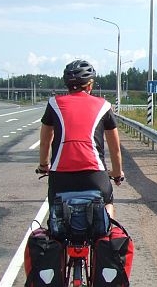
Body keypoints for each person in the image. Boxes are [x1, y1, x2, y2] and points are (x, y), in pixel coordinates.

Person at [36, 59, 125, 218]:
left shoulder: (54, 103)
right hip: (94, 175)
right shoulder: (104, 105)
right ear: (90, 85)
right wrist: (117, 173)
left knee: (56, 217)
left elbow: (45, 142)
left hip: (60, 176)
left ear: (67, 84)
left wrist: (44, 165)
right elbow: (115, 148)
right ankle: (106, 236)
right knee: (107, 205)